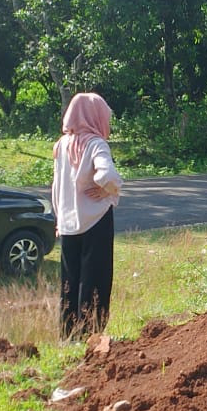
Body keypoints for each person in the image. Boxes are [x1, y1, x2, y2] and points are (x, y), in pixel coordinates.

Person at [52, 93, 123, 339]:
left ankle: (68, 335)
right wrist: (109, 188)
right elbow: (108, 176)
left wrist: (59, 218)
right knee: (95, 279)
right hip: (95, 220)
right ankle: (91, 334)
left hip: (69, 223)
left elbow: (57, 185)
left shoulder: (62, 145)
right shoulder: (96, 144)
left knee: (70, 282)